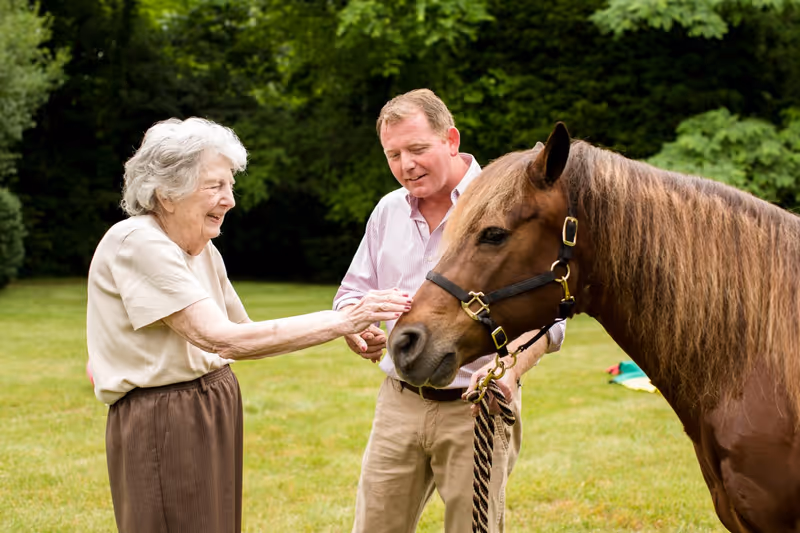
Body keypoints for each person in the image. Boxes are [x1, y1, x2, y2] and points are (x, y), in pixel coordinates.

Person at [86, 117, 411, 533]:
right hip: (165, 414)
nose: (230, 200)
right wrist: (343, 318)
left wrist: (342, 327)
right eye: (215, 186)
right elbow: (220, 338)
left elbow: (246, 330)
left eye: (230, 186)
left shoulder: (201, 248)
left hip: (211, 401)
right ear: (167, 194)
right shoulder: (138, 242)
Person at [333, 89, 567, 532]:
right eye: (393, 154)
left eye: (418, 149)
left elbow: (550, 319)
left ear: (451, 139)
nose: (406, 165)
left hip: (476, 408)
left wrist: (510, 372)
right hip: (398, 402)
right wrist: (356, 325)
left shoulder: (503, 205)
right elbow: (353, 291)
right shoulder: (387, 211)